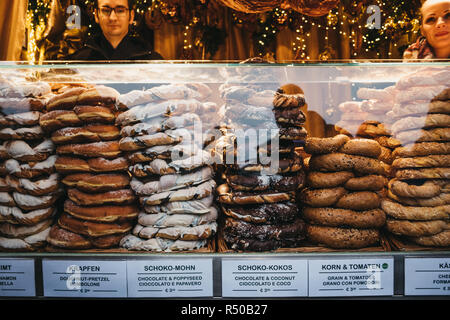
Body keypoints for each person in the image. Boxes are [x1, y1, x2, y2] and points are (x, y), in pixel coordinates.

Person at [68, 0, 163, 60]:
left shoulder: (151, 60)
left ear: (131, 16)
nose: (112, 17)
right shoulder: (79, 61)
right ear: (96, 15)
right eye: (106, 10)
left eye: (120, 10)